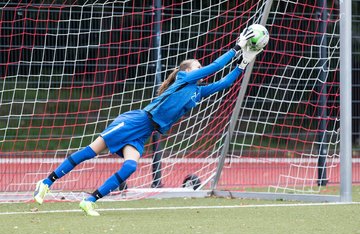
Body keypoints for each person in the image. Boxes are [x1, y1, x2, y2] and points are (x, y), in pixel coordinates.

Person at [33, 28, 263, 216]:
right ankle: (46, 182)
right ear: (187, 71)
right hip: (136, 121)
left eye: (200, 68)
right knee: (90, 152)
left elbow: (223, 83)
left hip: (144, 132)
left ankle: (90, 200)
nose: (201, 69)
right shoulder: (184, 79)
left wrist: (242, 63)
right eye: (197, 67)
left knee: (131, 166)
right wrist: (235, 48)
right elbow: (214, 67)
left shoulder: (197, 92)